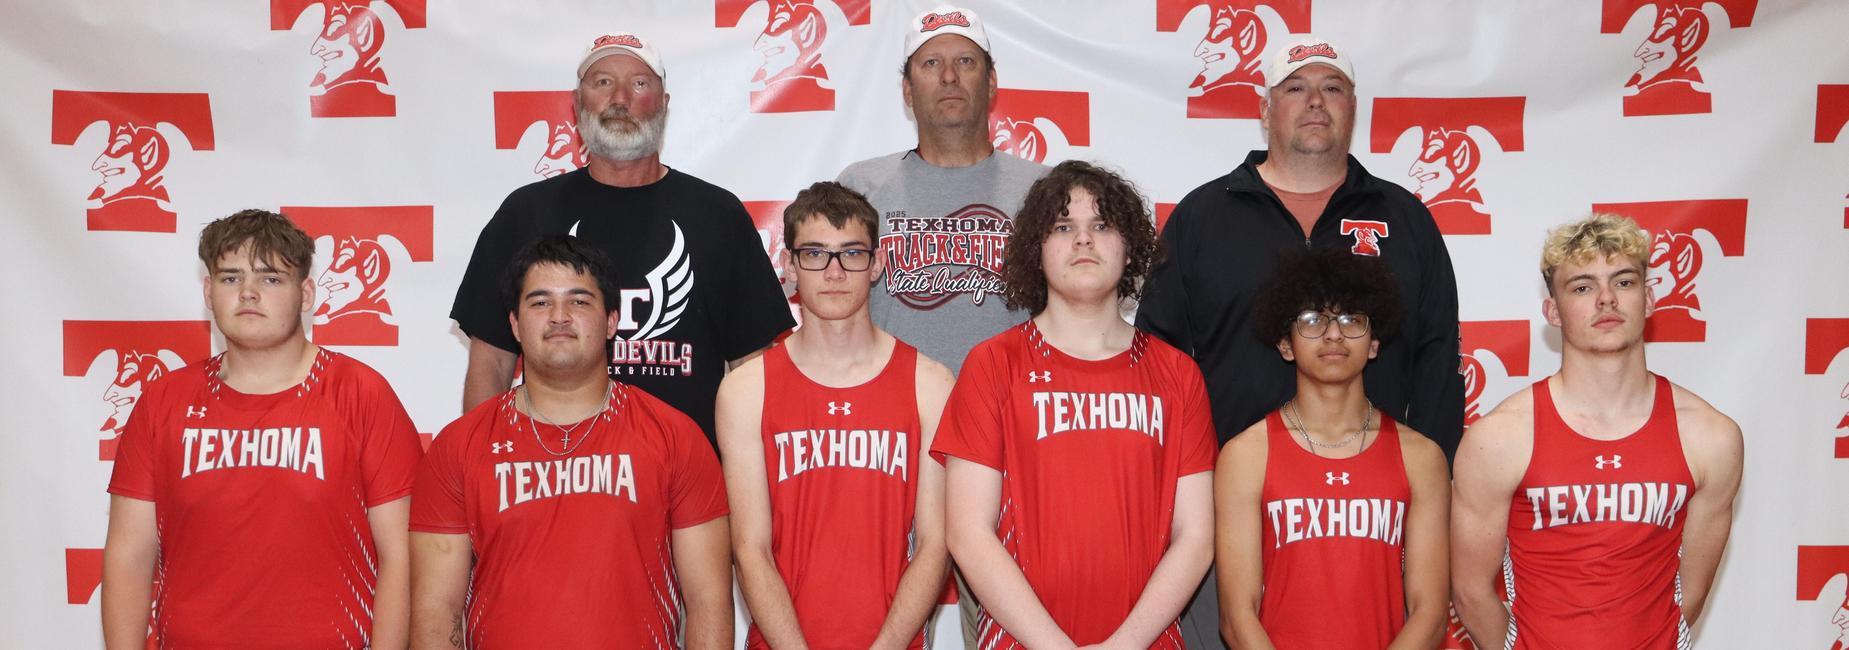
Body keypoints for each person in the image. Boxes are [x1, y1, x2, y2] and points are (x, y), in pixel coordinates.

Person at [1134, 35, 1462, 644]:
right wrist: (1181, 506)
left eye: (1332, 88)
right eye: (1296, 88)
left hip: (1376, 521)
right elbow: (1158, 369)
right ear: (1265, 109)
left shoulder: (1406, 217)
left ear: (1354, 107)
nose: (1316, 102)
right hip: (1225, 513)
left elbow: (1439, 360)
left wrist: (1427, 497)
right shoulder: (1204, 217)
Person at [102, 209, 423, 648]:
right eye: (230, 278)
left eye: (271, 279)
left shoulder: (360, 394)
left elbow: (401, 557)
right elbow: (129, 557)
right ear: (208, 291)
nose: (248, 293)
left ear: (305, 293)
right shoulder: (163, 402)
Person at [452, 31, 794, 443]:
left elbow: (752, 366)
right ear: (577, 105)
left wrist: (748, 481)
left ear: (664, 104)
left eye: (639, 83)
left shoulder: (718, 215)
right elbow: (490, 363)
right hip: (551, 481)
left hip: (688, 491)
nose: (619, 98)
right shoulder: (525, 214)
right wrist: (477, 465)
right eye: (602, 82)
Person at [933, 161, 1216, 648]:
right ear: (1036, 250)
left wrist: (1122, 646)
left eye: (1101, 225)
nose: (1083, 240)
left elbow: (1196, 538)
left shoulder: (1177, 375)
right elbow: (968, 534)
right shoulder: (993, 365)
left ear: (1130, 250)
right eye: (1063, 227)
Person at [411, 236, 732, 648]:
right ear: (514, 324)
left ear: (612, 320)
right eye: (540, 302)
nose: (559, 316)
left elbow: (709, 601)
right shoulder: (459, 446)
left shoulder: (674, 436)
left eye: (579, 301)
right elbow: (437, 610)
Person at [1451, 213, 1742, 648]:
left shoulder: (1711, 437)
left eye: (1624, 282)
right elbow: (1470, 592)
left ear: (1648, 300)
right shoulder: (1499, 438)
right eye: (1583, 287)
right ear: (1553, 310)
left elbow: (1688, 597)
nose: (1606, 300)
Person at [717, 182, 954, 648]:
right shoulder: (745, 390)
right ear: (789, 266)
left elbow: (934, 546)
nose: (834, 271)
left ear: (877, 264)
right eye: (815, 253)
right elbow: (749, 549)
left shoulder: (930, 383)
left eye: (851, 253)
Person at [1214, 248, 1448, 648]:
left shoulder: (1421, 457)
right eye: (1313, 320)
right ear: (1286, 345)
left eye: (1351, 319)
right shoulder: (1246, 454)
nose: (1334, 334)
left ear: (1374, 343)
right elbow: (1238, 616)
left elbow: (1431, 613)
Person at [835, 4, 1048, 373]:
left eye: (966, 61)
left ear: (992, 81)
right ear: (907, 89)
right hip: (896, 415)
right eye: (931, 63)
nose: (949, 76)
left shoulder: (1044, 189)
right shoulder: (861, 186)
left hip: (1011, 411)